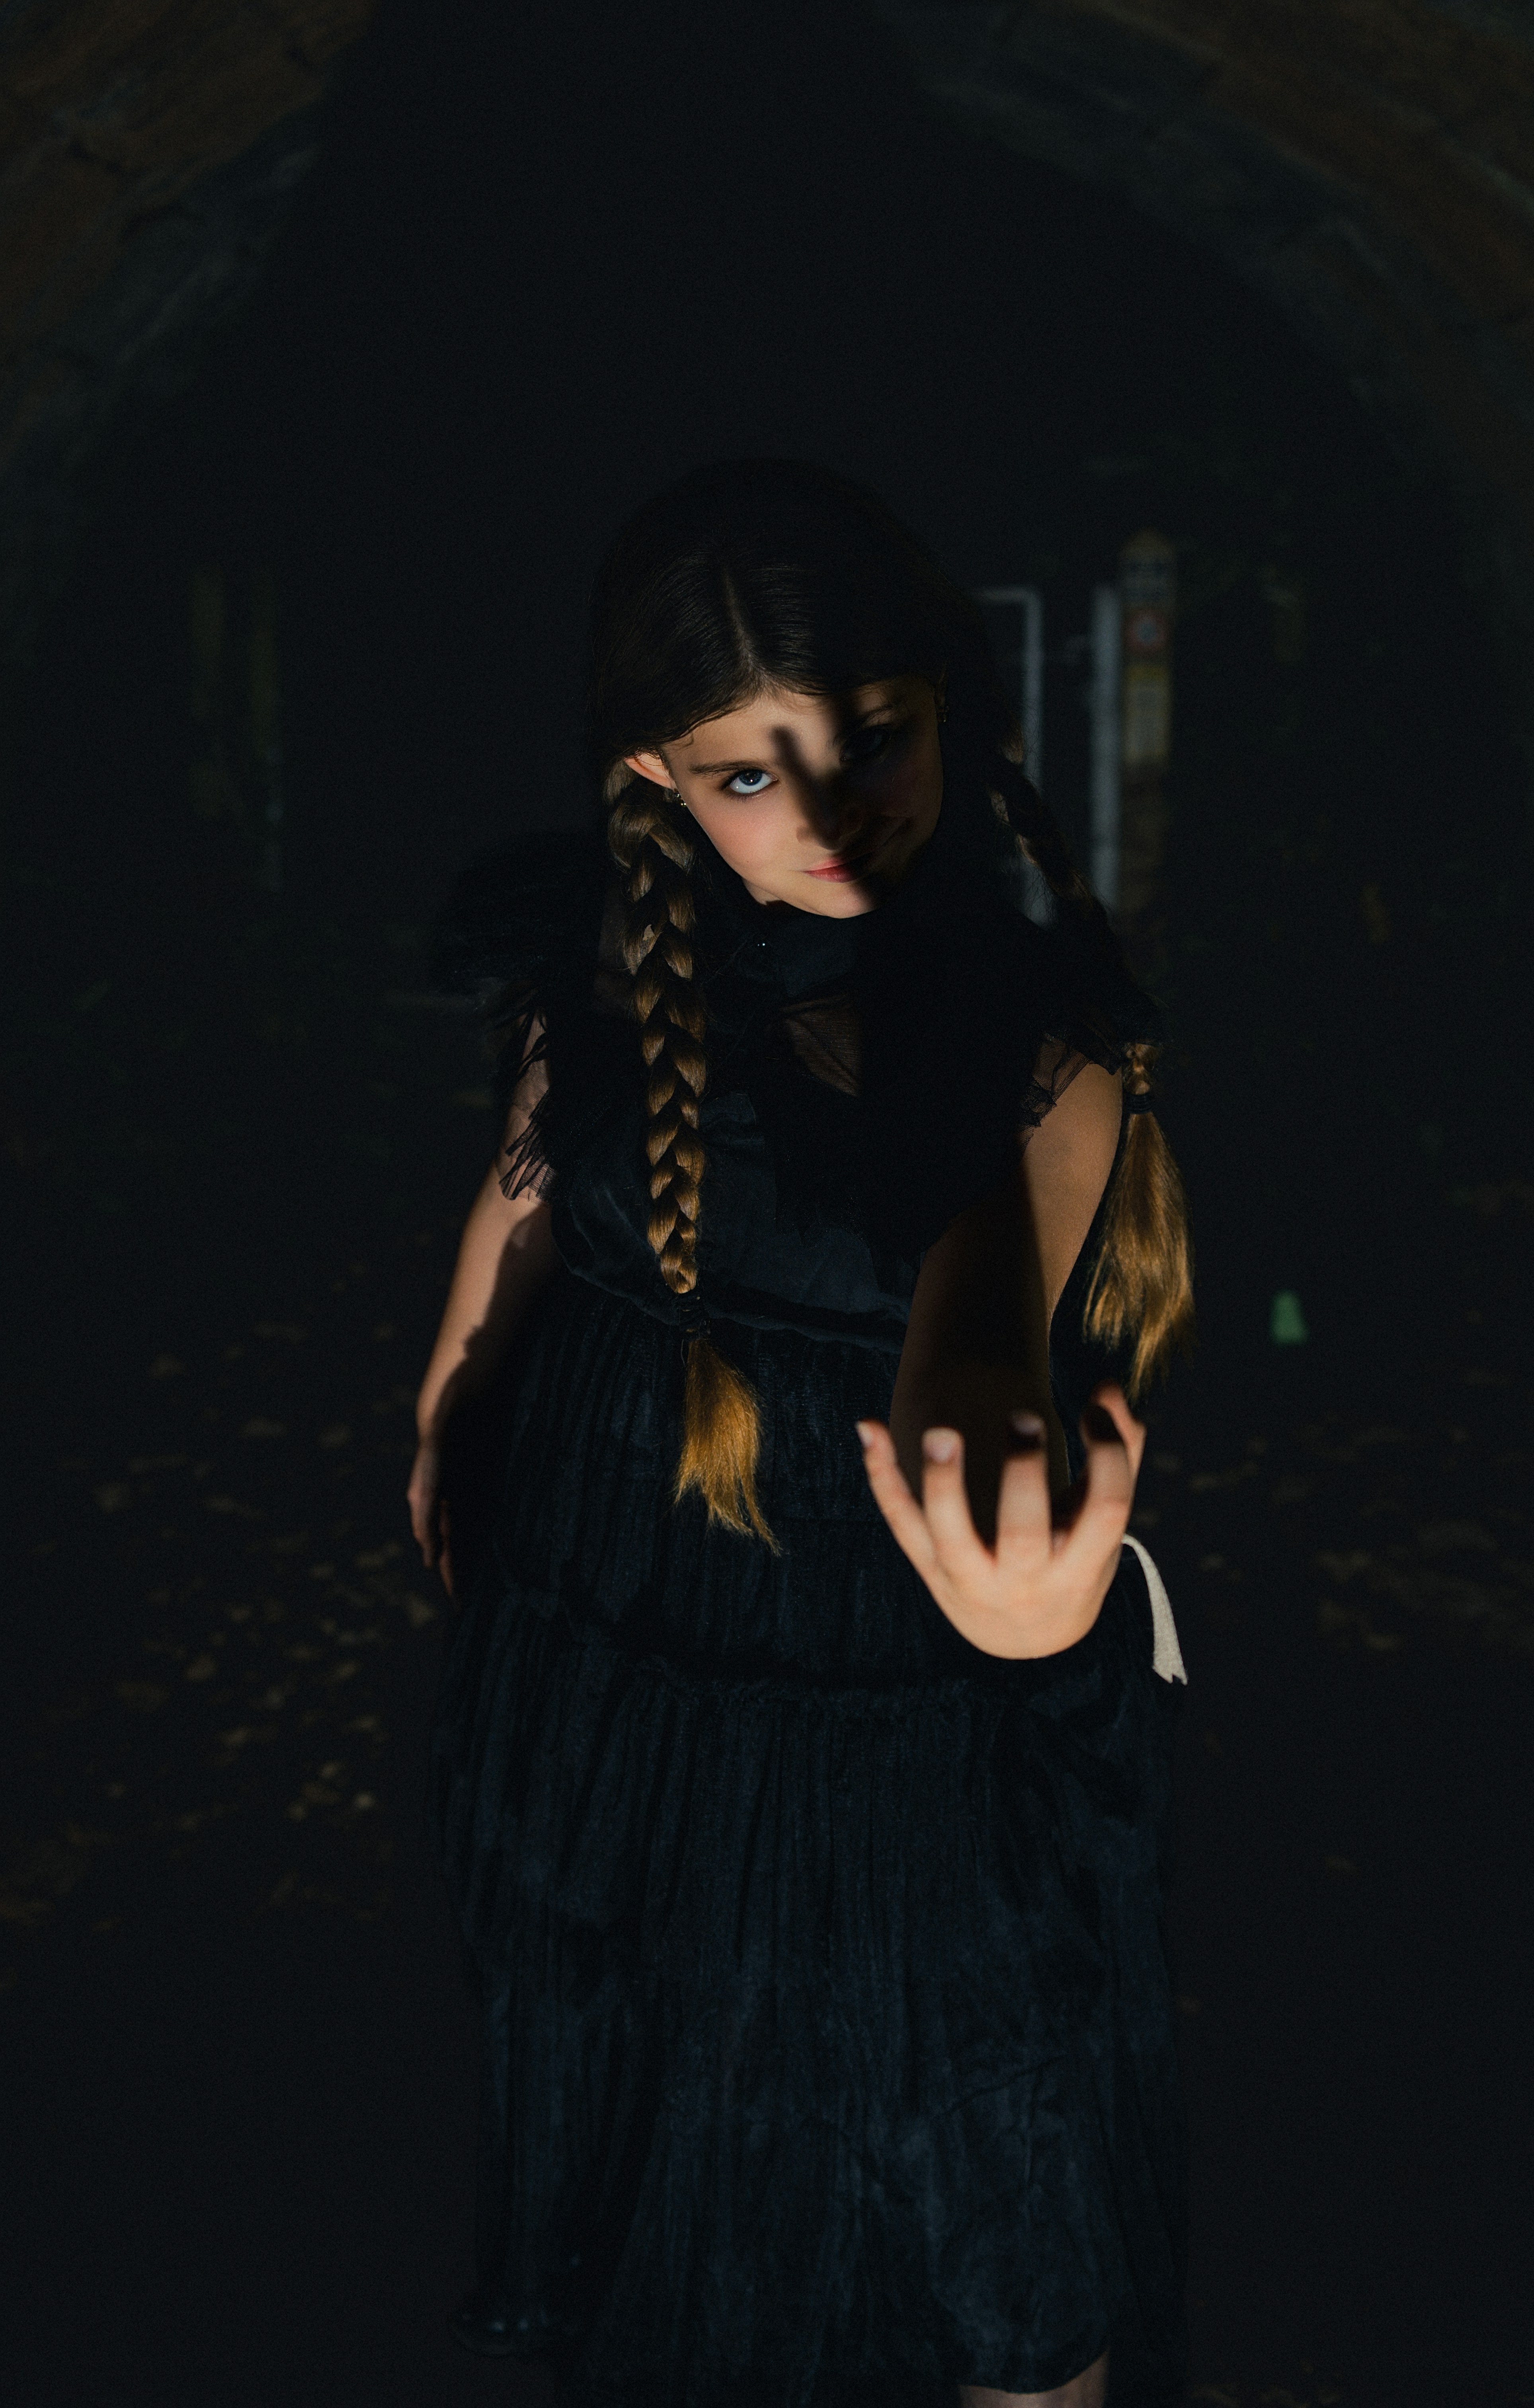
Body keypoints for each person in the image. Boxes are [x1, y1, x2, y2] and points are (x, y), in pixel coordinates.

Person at [409, 460, 1194, 2408]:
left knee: (977, 2161)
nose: (834, 813)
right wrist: (451, 1399)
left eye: (874, 737)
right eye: (752, 771)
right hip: (603, 1649)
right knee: (670, 2120)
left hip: (874, 1702)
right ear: (657, 777)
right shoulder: (610, 964)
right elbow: (533, 1177)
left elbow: (982, 1311)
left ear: (947, 711)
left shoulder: (1021, 1037)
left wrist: (1024, 1596)